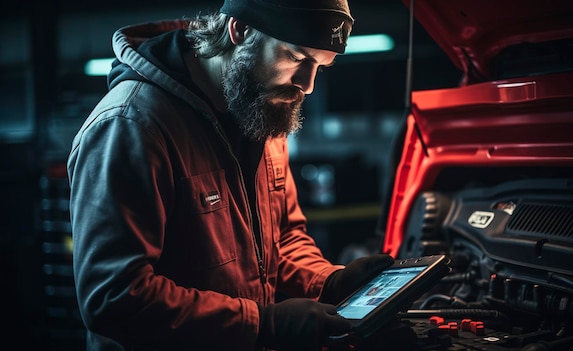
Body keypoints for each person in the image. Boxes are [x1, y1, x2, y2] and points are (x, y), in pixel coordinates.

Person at [66, 0, 394, 350]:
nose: (308, 84)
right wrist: (262, 324)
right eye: (297, 58)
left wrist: (329, 281)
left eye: (321, 66)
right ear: (240, 30)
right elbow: (115, 297)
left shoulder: (262, 114)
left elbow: (279, 240)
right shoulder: (132, 126)